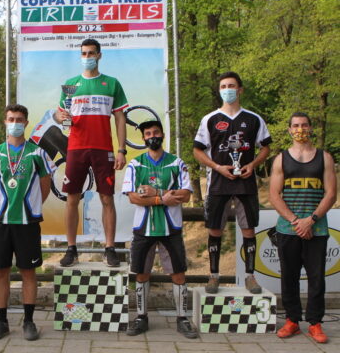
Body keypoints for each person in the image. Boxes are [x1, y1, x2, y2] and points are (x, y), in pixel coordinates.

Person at [0, 104, 55, 341]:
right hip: (1, 221)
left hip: (27, 221)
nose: (15, 123)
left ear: (26, 122)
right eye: (11, 119)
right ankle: (1, 322)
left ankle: (29, 321)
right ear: (5, 122)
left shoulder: (37, 153)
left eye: (19, 119)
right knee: (0, 272)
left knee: (28, 272)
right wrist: (3, 206)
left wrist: (30, 205)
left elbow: (45, 186)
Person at [193, 71, 271, 294]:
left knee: (249, 229)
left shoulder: (254, 119)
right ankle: (213, 276)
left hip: (246, 183)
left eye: (231, 86)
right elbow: (197, 151)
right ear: (219, 91)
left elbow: (266, 147)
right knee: (215, 229)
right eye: (223, 86)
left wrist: (253, 165)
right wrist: (217, 167)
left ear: (240, 90)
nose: (227, 90)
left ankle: (250, 276)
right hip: (218, 182)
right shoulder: (210, 119)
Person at [54, 38, 128, 267]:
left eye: (91, 53)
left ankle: (110, 248)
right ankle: (71, 249)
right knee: (72, 198)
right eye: (84, 53)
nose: (87, 57)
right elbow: (60, 115)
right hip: (76, 148)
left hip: (103, 147)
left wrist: (121, 149)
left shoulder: (112, 83)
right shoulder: (70, 85)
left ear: (99, 55)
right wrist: (61, 117)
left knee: (107, 198)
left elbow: (120, 118)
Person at [122, 120, 198, 339]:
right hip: (143, 228)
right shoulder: (135, 164)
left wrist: (156, 192)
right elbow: (134, 197)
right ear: (143, 138)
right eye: (148, 133)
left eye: (156, 132)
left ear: (163, 135)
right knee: (141, 273)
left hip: (171, 228)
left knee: (178, 273)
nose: (152, 136)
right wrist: (163, 199)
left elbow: (185, 195)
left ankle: (182, 318)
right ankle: (141, 317)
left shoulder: (177, 163)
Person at [270, 112, 336, 343]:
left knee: (317, 278)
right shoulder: (281, 159)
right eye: (296, 125)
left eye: (304, 125)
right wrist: (297, 221)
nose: (300, 129)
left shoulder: (324, 158)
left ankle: (315, 323)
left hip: (317, 228)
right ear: (289, 129)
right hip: (288, 229)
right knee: (289, 277)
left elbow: (331, 193)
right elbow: (274, 195)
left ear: (311, 128)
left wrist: (312, 219)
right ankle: (292, 321)